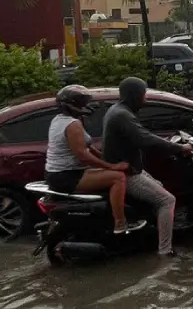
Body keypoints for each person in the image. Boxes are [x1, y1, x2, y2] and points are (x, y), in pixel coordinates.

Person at [102, 76, 193, 257]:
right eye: (143, 95)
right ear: (134, 96)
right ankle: (165, 250)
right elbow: (144, 138)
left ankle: (153, 232)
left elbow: (142, 133)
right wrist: (178, 148)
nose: (145, 99)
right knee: (167, 201)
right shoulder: (122, 115)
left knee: (160, 187)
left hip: (130, 168)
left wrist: (167, 142)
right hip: (128, 173)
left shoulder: (118, 111)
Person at [45, 85, 141, 235]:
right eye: (82, 102)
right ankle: (120, 224)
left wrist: (107, 160)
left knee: (112, 173)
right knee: (118, 178)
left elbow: (89, 147)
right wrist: (111, 166)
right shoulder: (72, 125)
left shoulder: (62, 120)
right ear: (73, 104)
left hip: (63, 173)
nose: (86, 105)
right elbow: (83, 155)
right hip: (66, 176)